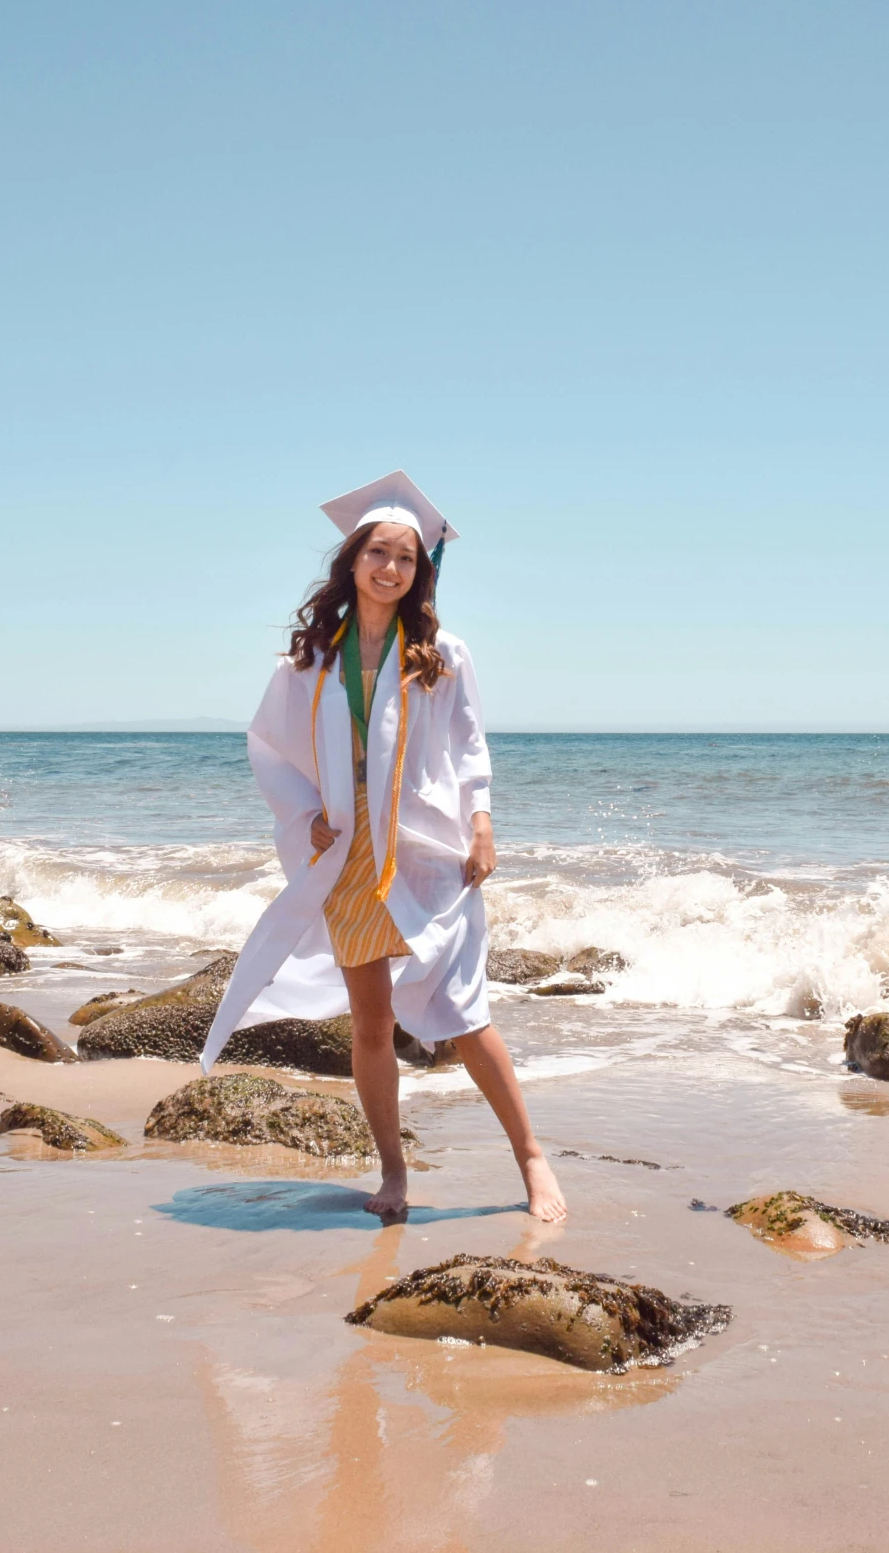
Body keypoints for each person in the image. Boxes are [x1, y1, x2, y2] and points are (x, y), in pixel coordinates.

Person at [202, 471, 565, 1224]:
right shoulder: (310, 660)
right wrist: (306, 817)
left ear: (418, 571)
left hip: (429, 849)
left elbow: (468, 745)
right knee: (370, 1023)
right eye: (378, 552)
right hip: (350, 858)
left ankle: (532, 1157)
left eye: (406, 557)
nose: (391, 567)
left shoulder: (441, 653)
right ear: (353, 560)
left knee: (464, 1013)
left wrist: (484, 820)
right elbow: (269, 747)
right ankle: (393, 1171)